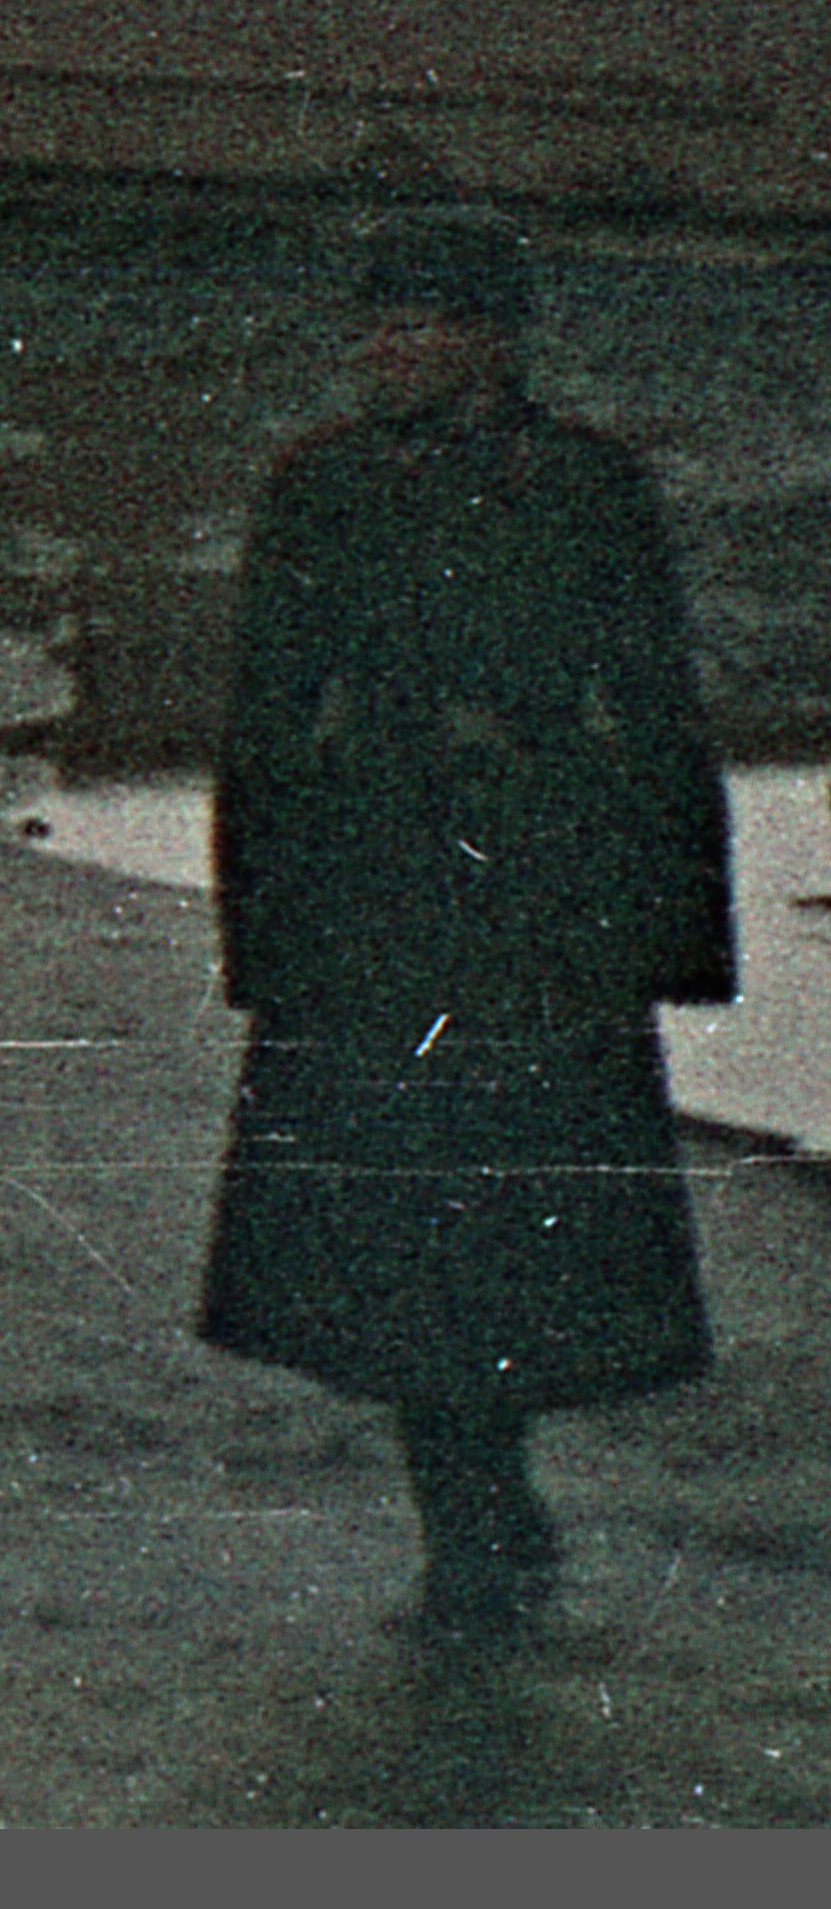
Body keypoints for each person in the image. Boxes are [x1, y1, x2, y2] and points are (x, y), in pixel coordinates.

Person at [194, 210, 738, 1646]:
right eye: (373, 323)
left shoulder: (583, 485)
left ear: (490, 339)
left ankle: (493, 1487)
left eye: (418, 323)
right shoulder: (319, 487)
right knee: (394, 1216)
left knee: (513, 1216)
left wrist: (674, 932)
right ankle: (460, 1512)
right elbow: (262, 710)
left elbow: (654, 699)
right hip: (376, 889)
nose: (384, 348)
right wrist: (261, 927)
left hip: (536, 894)